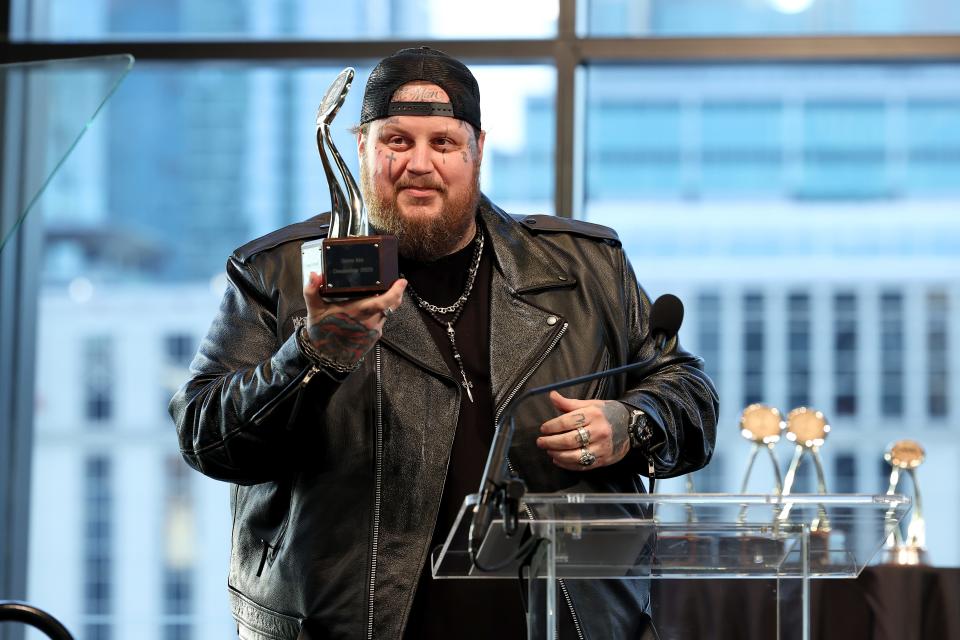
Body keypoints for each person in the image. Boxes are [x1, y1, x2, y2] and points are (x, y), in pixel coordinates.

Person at [170, 46, 718, 640]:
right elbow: (206, 436)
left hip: (566, 623)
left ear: (478, 150)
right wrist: (310, 355)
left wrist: (631, 422)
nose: (420, 164)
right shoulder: (278, 274)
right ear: (361, 147)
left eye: (444, 143)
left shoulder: (586, 268)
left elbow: (687, 392)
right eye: (397, 142)